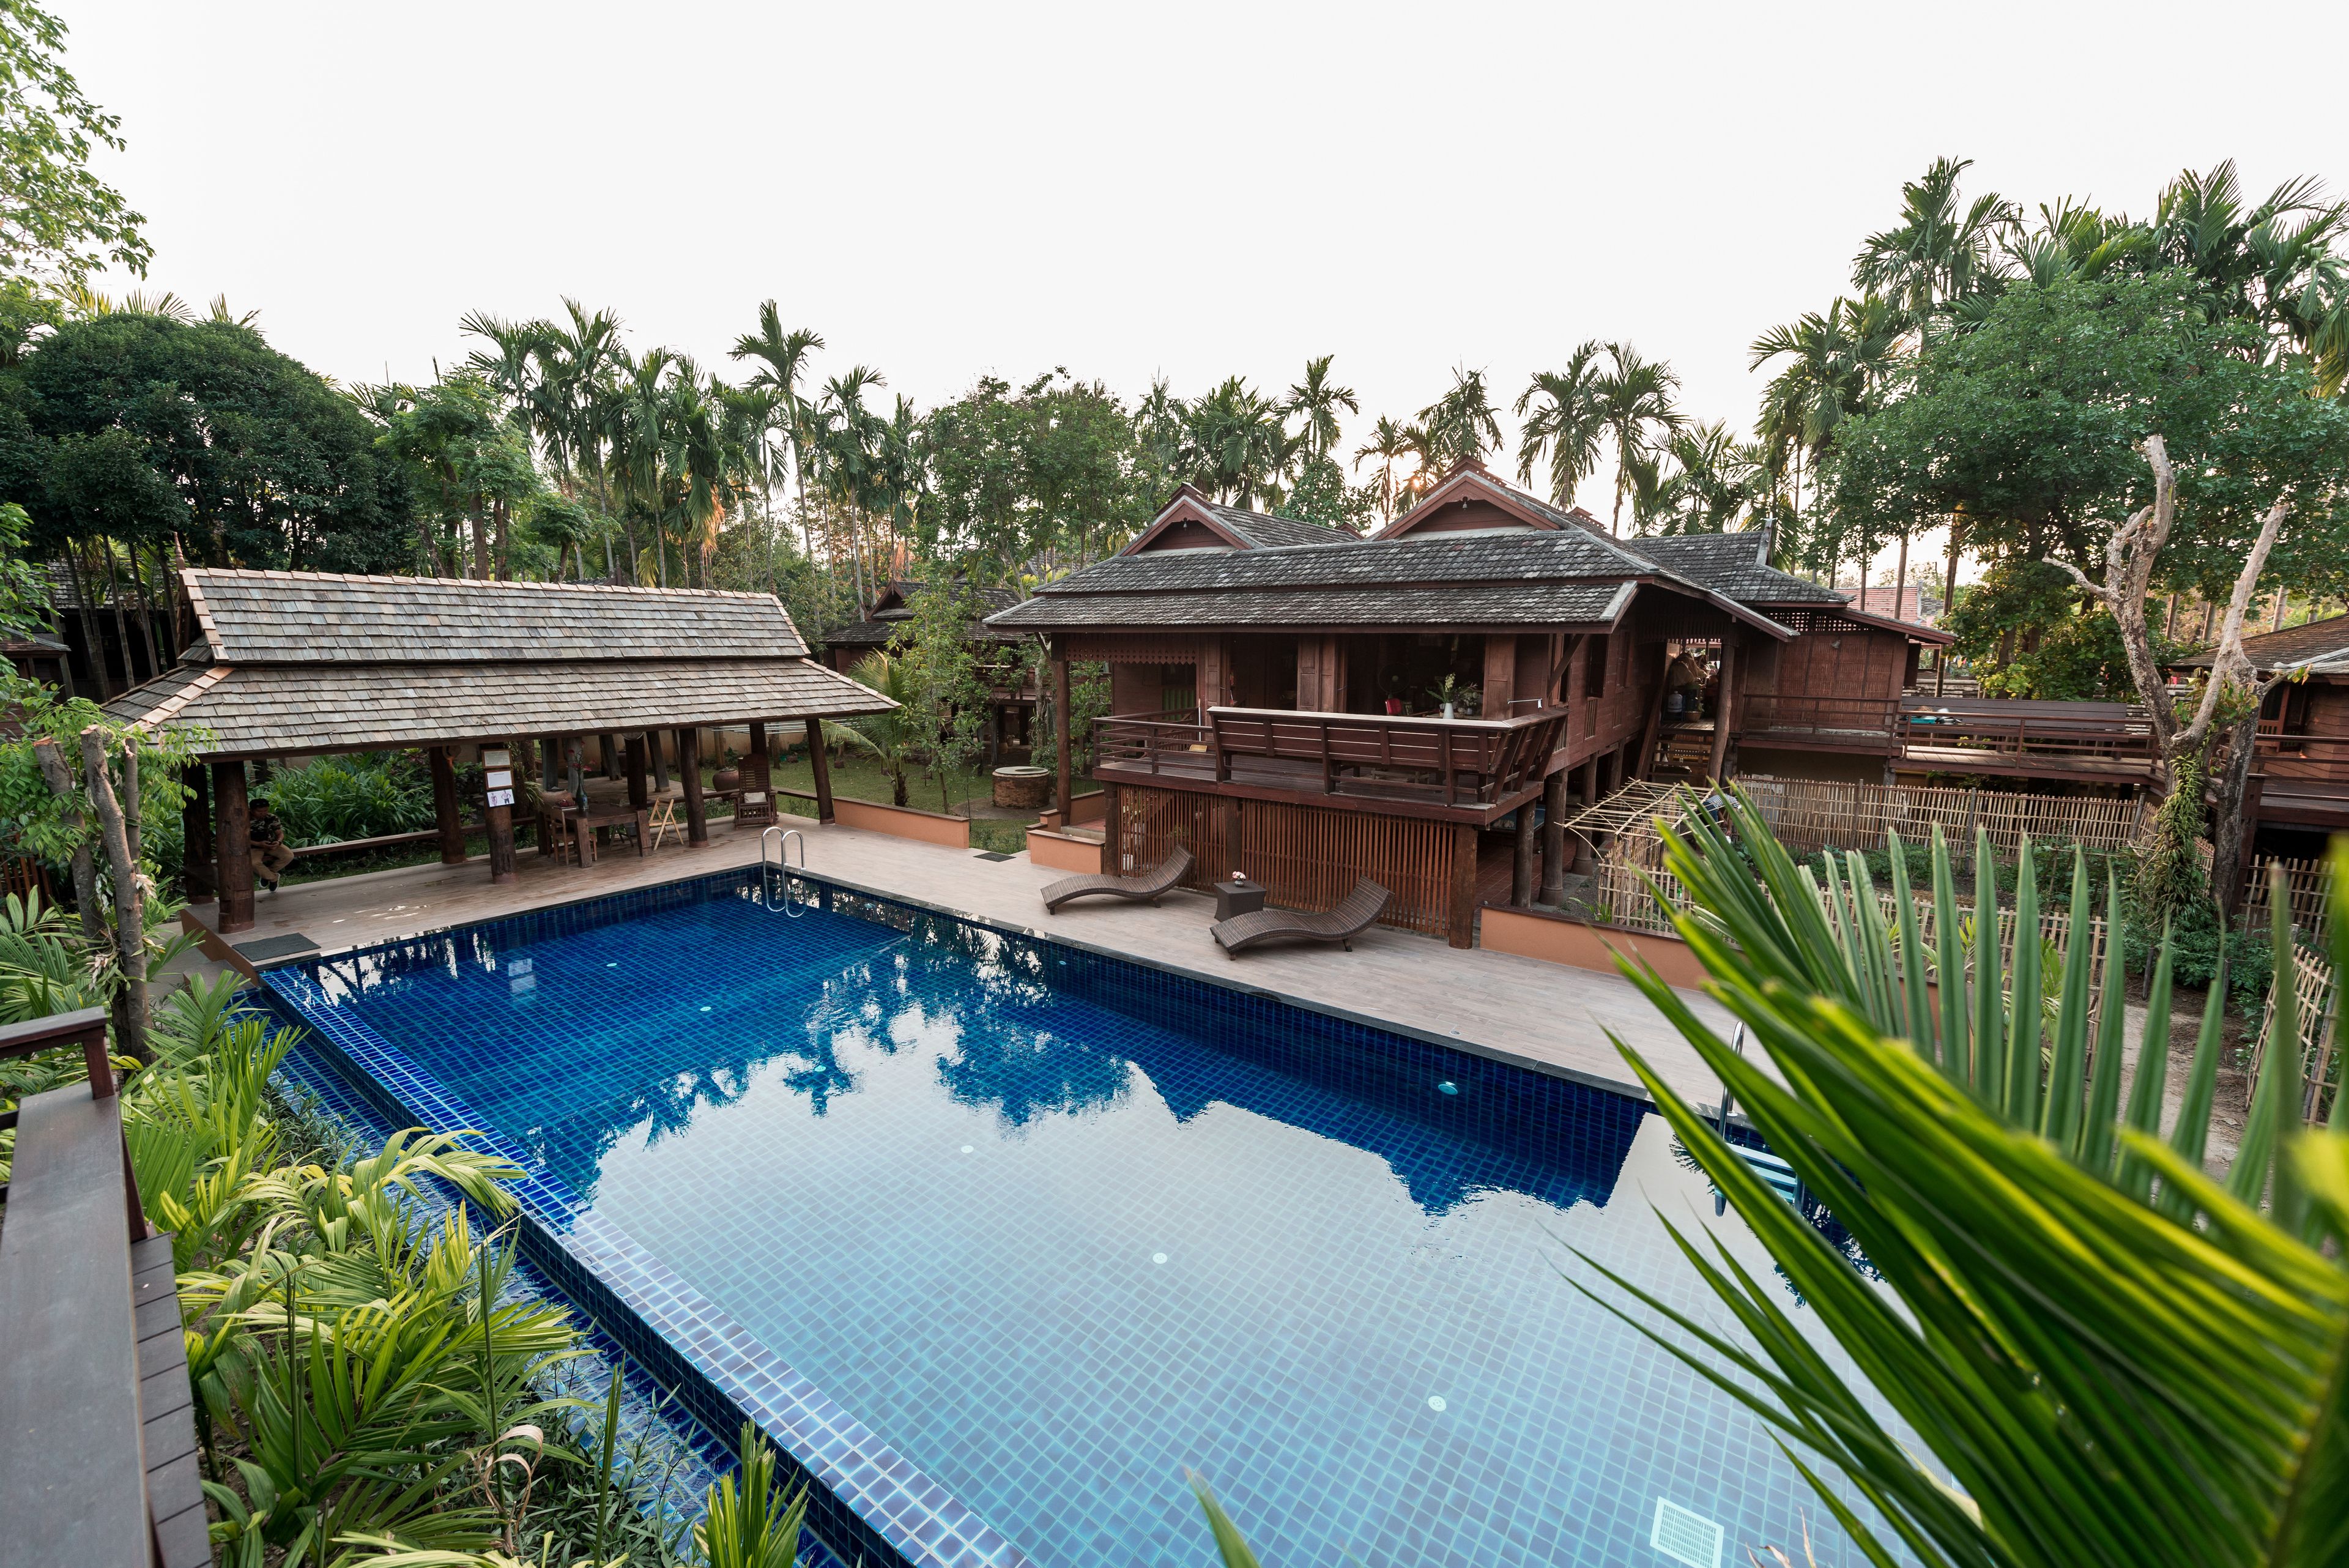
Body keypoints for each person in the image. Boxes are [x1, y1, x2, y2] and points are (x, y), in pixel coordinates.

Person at [248, 798, 295, 891]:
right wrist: (259, 844)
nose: (263, 813)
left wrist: (278, 842)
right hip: (253, 847)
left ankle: (267, 874)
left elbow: (280, 833)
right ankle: (273, 878)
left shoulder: (271, 818)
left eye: (266, 810)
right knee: (254, 863)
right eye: (260, 811)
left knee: (288, 856)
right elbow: (240, 839)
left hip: (270, 843)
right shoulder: (244, 819)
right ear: (251, 810)